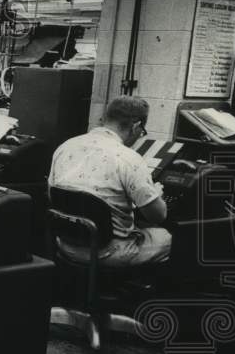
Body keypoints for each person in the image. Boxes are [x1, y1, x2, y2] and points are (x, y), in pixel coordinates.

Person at [48, 95, 170, 267]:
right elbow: (158, 216)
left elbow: (53, 195)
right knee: (166, 237)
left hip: (65, 245)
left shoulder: (65, 146)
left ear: (105, 119)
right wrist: (156, 195)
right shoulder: (130, 159)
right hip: (107, 252)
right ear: (136, 126)